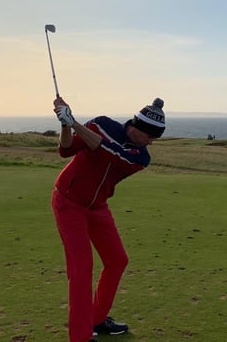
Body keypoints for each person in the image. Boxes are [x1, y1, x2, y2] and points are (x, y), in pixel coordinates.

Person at [51, 96, 166, 342]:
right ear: (137, 127)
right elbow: (66, 149)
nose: (151, 142)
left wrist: (75, 122)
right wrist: (64, 124)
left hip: (97, 207)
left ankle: (97, 319)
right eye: (150, 136)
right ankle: (81, 337)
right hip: (68, 202)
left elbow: (110, 153)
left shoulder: (140, 157)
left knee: (117, 260)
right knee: (81, 269)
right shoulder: (102, 124)